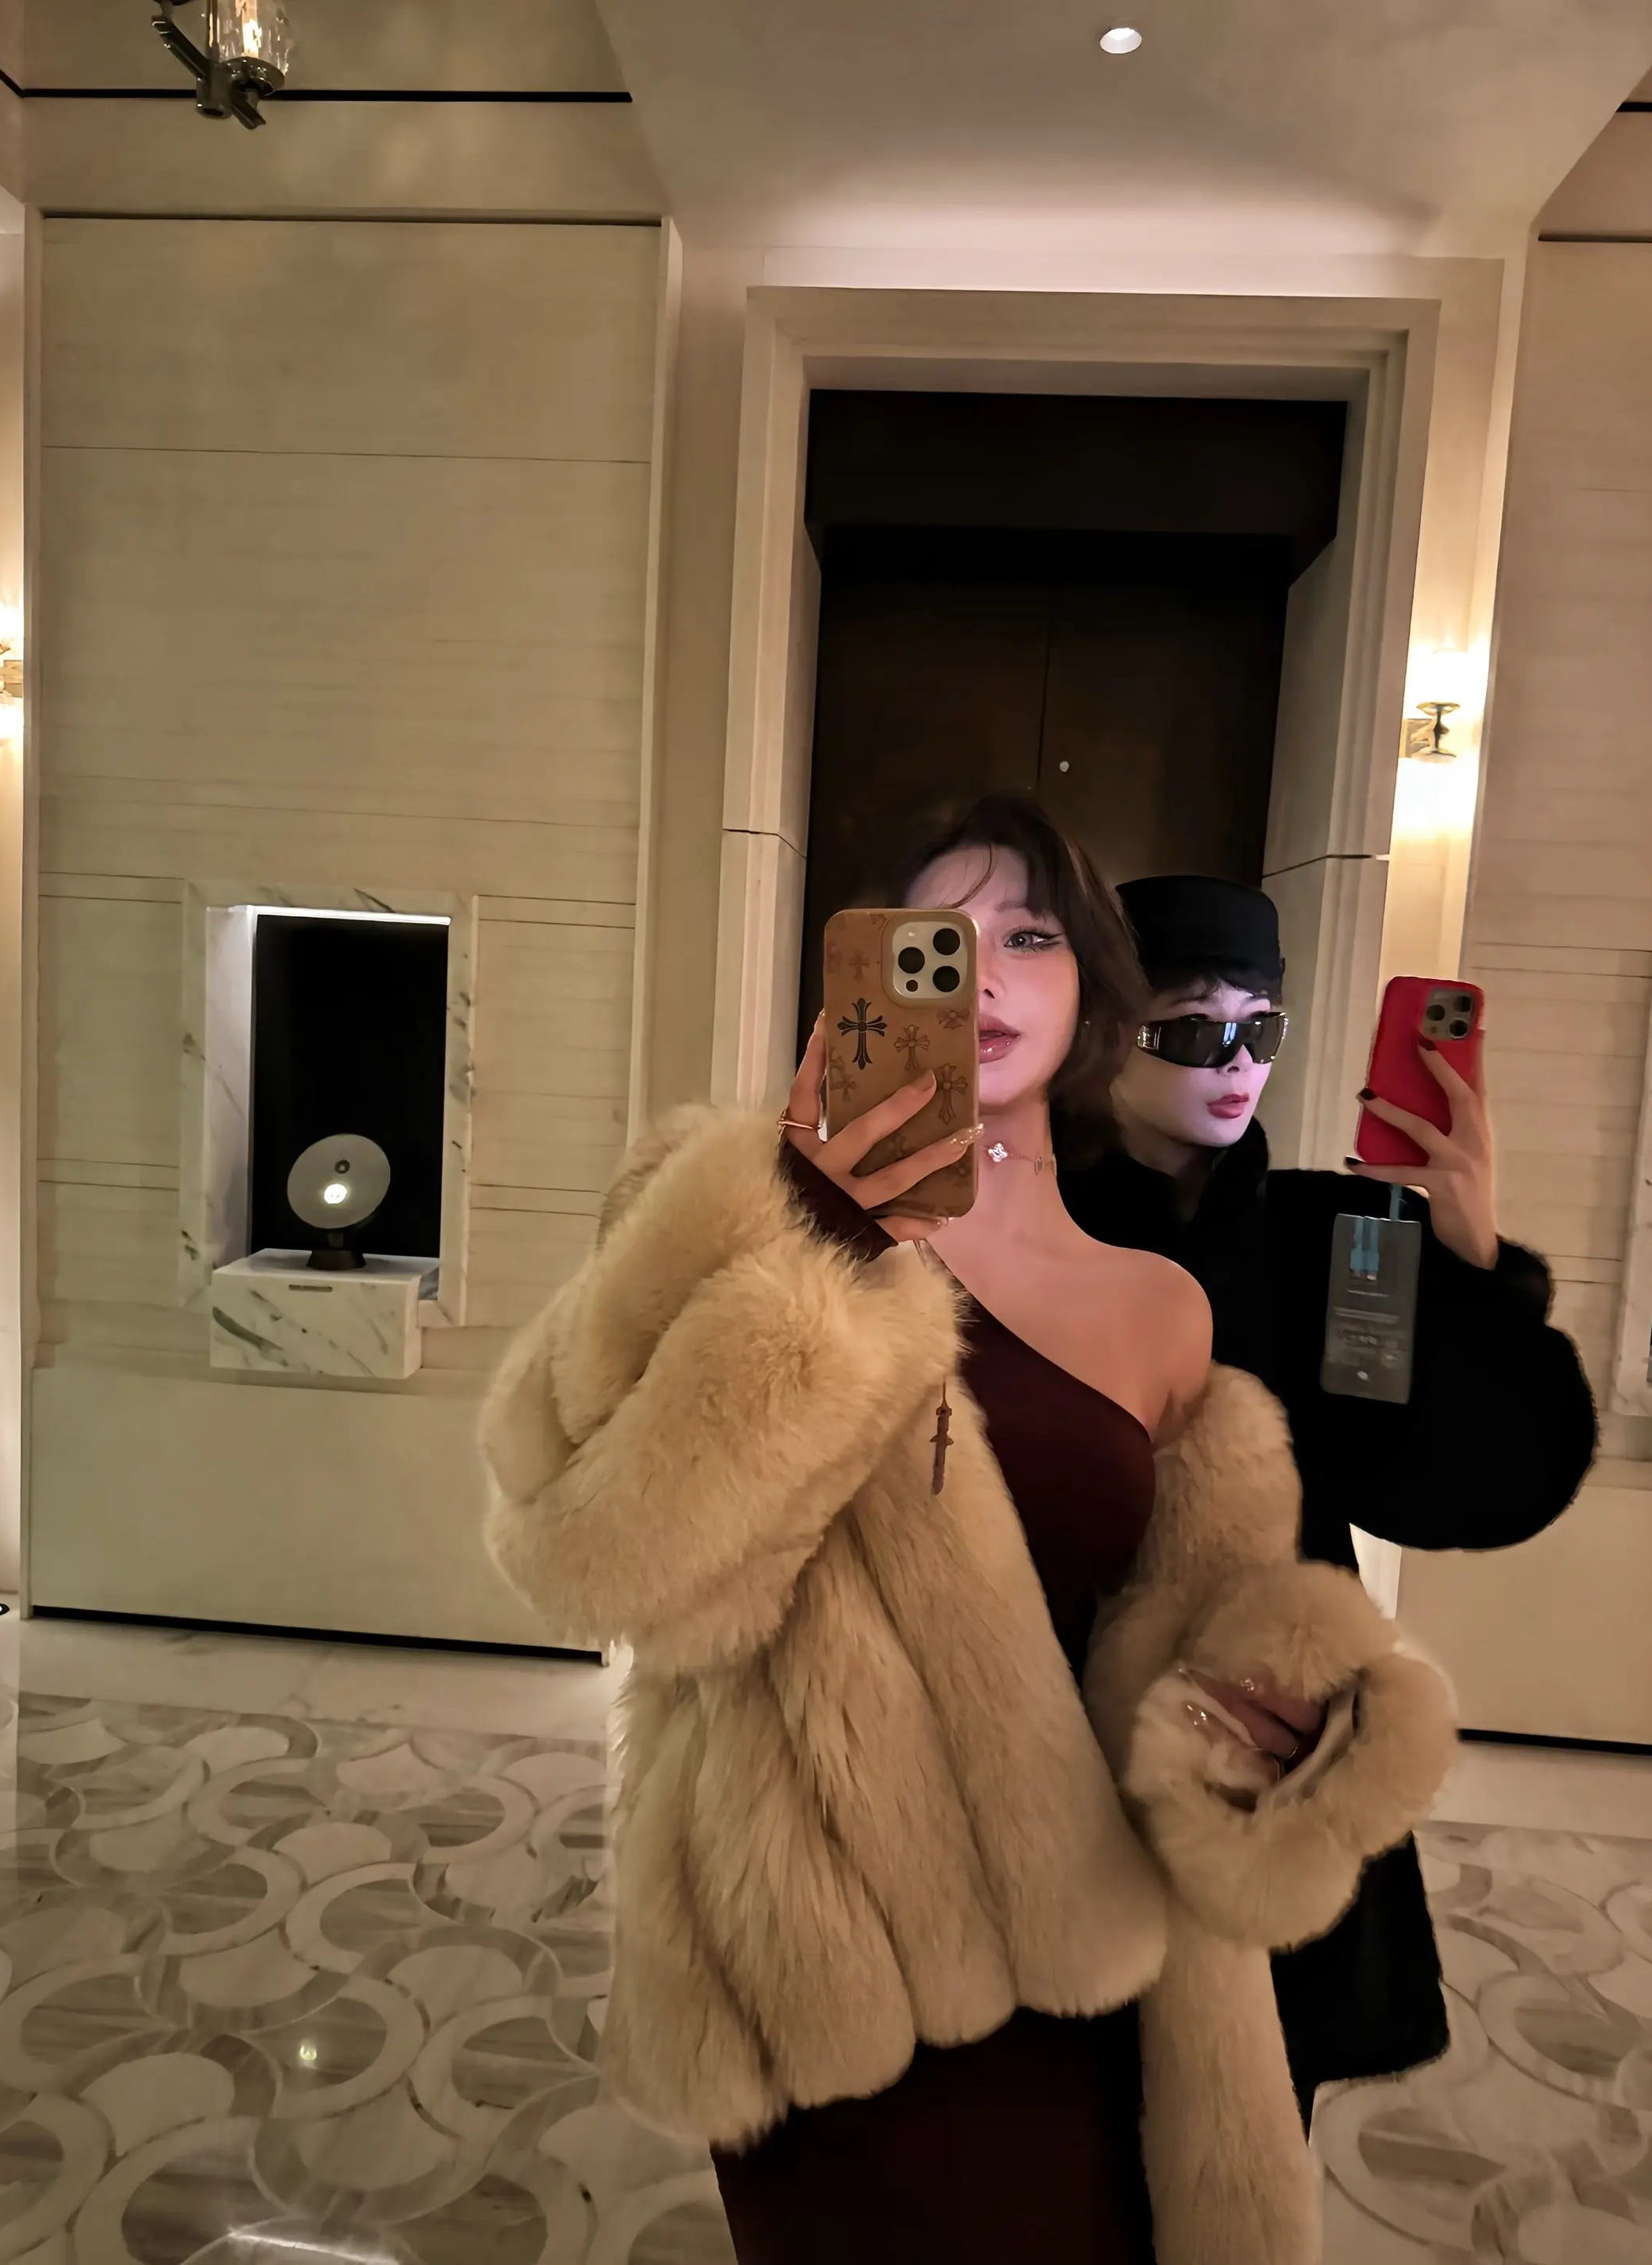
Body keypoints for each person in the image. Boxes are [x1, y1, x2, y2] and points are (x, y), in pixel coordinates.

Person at [479, 798, 1455, 2265]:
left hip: (1089, 1962)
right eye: (937, 940)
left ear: (1098, 997)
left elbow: (1186, 1663)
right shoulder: (718, 1204)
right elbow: (589, 1550)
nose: (983, 972)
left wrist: (1287, 1726)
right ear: (864, 974)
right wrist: (814, 1243)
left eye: (1032, 936)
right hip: (823, 1963)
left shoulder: (1156, 1306)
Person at [1058, 871, 1599, 2124]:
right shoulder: (1031, 1230)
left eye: (1262, 1027)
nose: (1237, 1063)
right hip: (1066, 1725)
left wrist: (1476, 1267)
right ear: (1103, 1036)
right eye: (1191, 1030)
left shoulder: (1339, 1236)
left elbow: (1460, 1490)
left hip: (1278, 1739)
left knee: (1245, 2112)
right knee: (1068, 2107)